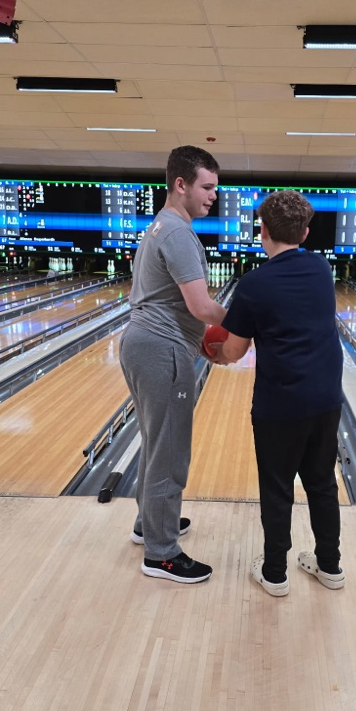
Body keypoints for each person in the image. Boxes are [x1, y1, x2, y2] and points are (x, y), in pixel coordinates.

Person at [214, 190, 345, 597]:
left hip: (279, 406)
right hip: (325, 399)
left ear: (262, 231)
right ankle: (330, 567)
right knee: (322, 483)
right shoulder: (322, 269)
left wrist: (214, 353)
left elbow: (234, 351)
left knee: (277, 488)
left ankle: (275, 573)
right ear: (305, 234)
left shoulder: (254, 284)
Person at [119, 145, 226, 583]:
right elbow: (201, 306)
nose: (213, 195)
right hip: (162, 351)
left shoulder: (159, 227)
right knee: (170, 450)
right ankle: (161, 553)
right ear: (180, 184)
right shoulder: (179, 233)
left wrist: (198, 336)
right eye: (207, 186)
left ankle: (150, 524)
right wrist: (246, 320)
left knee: (155, 440)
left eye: (215, 188)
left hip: (143, 343)